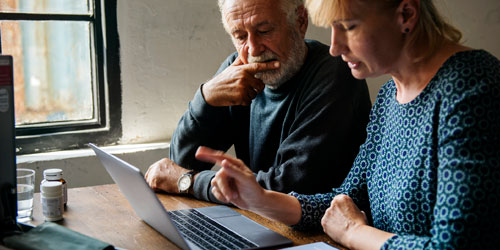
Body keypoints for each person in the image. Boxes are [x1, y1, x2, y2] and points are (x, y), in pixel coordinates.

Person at [196, 0, 500, 249]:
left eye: (349, 27)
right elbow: (348, 198)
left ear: (406, 14)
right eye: (332, 28)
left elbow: (456, 246)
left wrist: (355, 234)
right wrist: (260, 200)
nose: (334, 47)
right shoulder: (390, 97)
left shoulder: (472, 87)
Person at [145, 0, 372, 203]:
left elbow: (289, 189)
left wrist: (189, 182)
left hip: (319, 234)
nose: (253, 49)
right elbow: (183, 161)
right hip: (261, 221)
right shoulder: (238, 71)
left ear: (301, 21)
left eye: (264, 31)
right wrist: (204, 98)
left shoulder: (335, 75)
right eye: (240, 36)